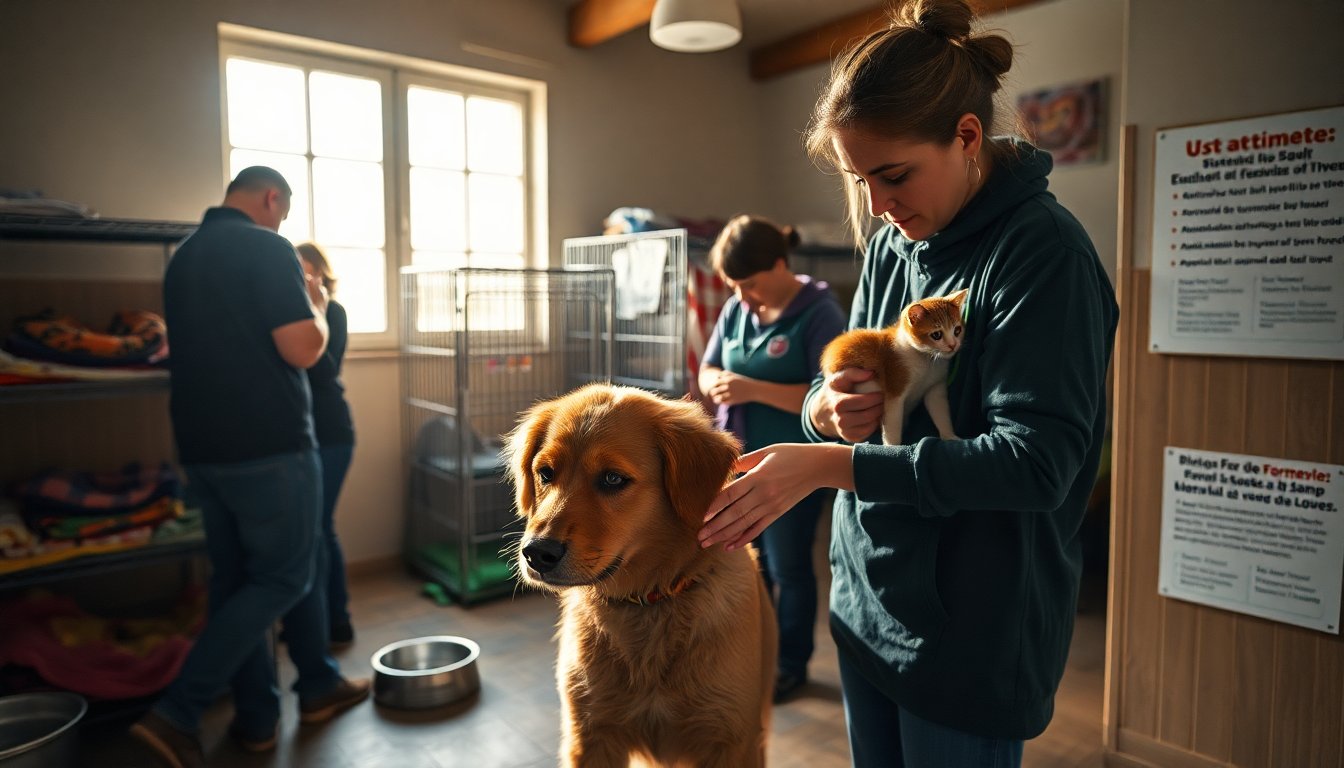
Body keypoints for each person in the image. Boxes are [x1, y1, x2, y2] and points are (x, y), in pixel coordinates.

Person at [698, 1, 1119, 766]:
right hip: (867, 602)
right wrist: (828, 412)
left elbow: (1038, 465)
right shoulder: (898, 238)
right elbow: (847, 383)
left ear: (966, 136)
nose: (878, 207)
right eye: (860, 181)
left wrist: (831, 464)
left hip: (973, 631)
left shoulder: (1044, 256)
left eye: (893, 176)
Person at [131, 166, 369, 768]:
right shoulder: (267, 247)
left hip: (201, 448)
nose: (280, 222)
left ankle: (260, 719)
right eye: (282, 212)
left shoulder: (184, 256)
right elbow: (302, 348)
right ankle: (180, 708)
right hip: (269, 447)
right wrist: (316, 307)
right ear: (271, 199)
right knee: (287, 576)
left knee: (237, 583)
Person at [698, 214, 846, 703]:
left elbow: (826, 397)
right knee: (744, 566)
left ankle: (789, 665)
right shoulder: (739, 308)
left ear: (781, 265)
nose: (742, 296)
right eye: (734, 286)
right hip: (738, 462)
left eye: (751, 284)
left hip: (792, 471)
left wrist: (748, 388)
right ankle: (748, 655)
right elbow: (707, 368)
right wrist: (715, 383)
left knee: (789, 569)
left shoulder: (819, 312)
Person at [294, 242, 357, 649]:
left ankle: (336, 621)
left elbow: (324, 370)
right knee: (307, 531)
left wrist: (315, 309)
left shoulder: (332, 312)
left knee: (319, 529)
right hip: (298, 436)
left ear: (320, 273)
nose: (300, 278)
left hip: (331, 433)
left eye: (306, 271)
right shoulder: (284, 315)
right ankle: (310, 621)